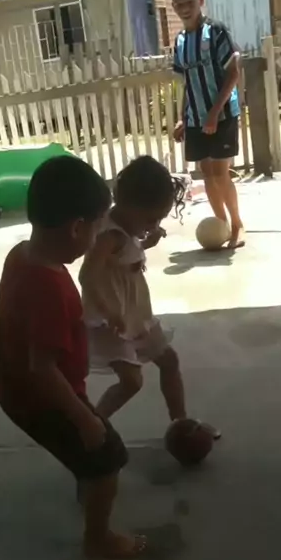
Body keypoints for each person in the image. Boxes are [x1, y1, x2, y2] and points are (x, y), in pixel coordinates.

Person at [0, 156, 146, 560]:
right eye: (96, 228)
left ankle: (86, 475)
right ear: (76, 228)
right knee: (107, 458)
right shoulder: (49, 286)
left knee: (89, 453)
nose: (97, 238)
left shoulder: (21, 255)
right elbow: (42, 369)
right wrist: (84, 418)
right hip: (41, 400)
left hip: (18, 390)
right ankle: (98, 538)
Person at [79, 155, 220, 438]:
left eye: (159, 219)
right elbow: (87, 275)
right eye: (150, 218)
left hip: (135, 314)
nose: (154, 224)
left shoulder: (126, 227)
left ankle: (181, 423)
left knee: (169, 361)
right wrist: (109, 311)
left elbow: (124, 257)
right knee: (131, 382)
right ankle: (91, 426)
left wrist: (145, 243)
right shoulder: (109, 235)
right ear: (127, 205)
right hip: (111, 322)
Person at [170, 0, 245, 250]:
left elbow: (233, 73)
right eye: (178, 5)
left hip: (222, 113)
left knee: (221, 172)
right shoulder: (180, 41)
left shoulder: (216, 32)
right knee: (207, 172)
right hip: (195, 117)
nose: (184, 9)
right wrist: (183, 117)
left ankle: (237, 225)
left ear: (200, 1)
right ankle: (220, 223)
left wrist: (214, 113)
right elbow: (186, 83)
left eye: (189, 3)